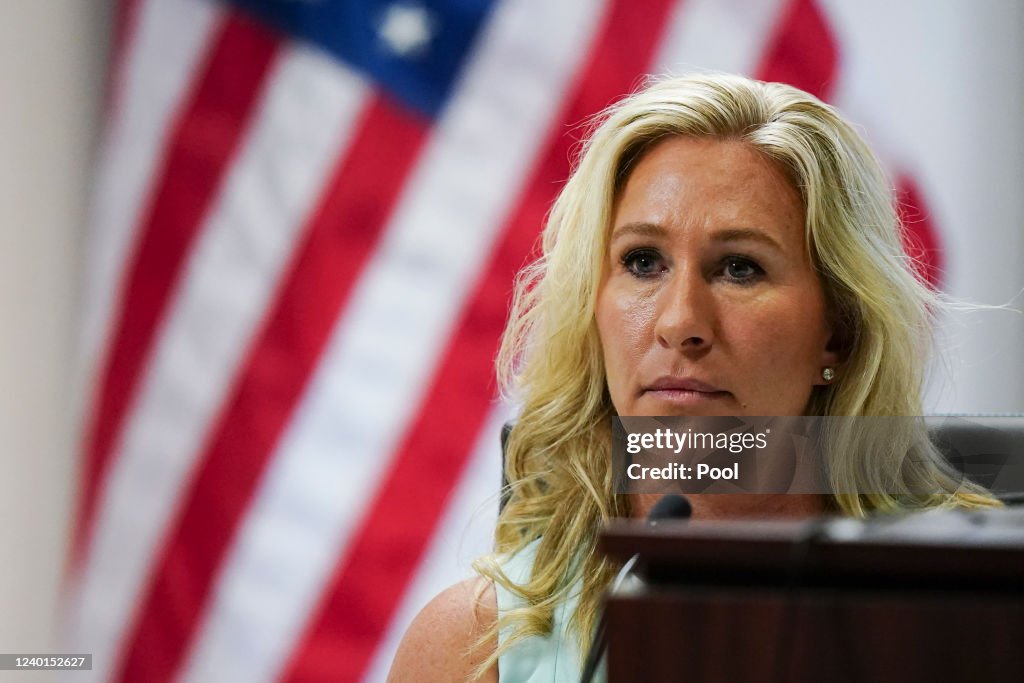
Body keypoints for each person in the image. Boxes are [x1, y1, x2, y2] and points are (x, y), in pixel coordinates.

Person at [386, 72, 1001, 682]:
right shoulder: (473, 648)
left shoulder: (974, 624)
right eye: (642, 261)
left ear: (837, 332)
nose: (680, 322)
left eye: (739, 268)